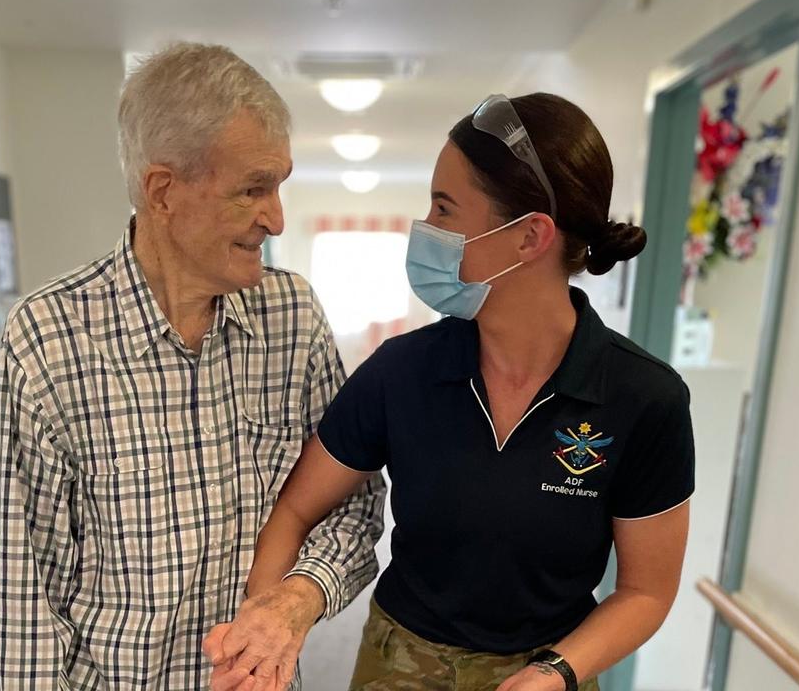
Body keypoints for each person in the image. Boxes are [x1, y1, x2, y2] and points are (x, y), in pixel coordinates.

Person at [206, 93, 694, 691]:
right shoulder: (403, 371)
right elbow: (296, 510)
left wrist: (557, 673)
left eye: (443, 207)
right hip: (399, 664)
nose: (426, 229)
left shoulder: (644, 398)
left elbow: (646, 590)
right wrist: (267, 622)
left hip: (548, 669)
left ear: (529, 237)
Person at [0, 42, 386, 690]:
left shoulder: (292, 317)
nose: (276, 217)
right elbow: (29, 602)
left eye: (279, 186)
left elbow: (355, 503)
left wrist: (297, 600)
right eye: (252, 190)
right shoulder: (49, 340)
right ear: (163, 191)